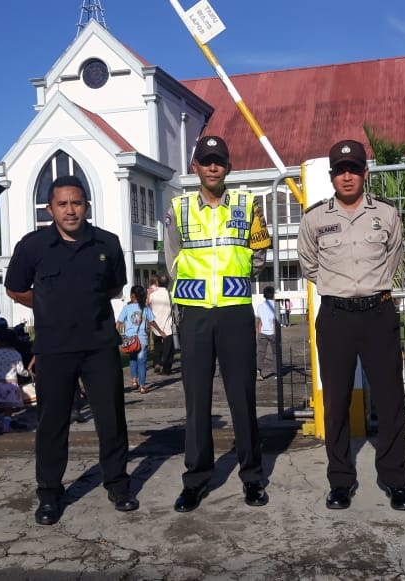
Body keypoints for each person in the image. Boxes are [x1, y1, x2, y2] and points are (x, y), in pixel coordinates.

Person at [5, 175, 138, 525]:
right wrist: (49, 303)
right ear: (50, 209)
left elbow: (112, 288)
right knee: (52, 424)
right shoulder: (33, 246)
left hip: (99, 346)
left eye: (76, 203)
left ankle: (118, 485)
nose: (70, 211)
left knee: (111, 420)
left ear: (86, 206)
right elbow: (15, 289)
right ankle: (49, 494)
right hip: (53, 349)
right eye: (62, 204)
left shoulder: (106, 243)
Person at [297, 139, 405, 512]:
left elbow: (392, 257)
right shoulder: (315, 219)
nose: (346, 176)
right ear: (331, 176)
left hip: (378, 314)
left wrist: (367, 288)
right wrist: (342, 290)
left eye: (353, 169)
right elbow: (309, 265)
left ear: (365, 173)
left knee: (390, 399)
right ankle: (340, 481)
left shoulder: (387, 214)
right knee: (335, 402)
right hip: (335, 317)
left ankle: (396, 481)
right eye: (339, 170)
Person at [164, 135, 271, 512]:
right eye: (206, 161)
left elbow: (259, 255)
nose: (212, 167)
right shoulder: (178, 209)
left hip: (235, 313)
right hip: (194, 314)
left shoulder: (247, 204)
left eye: (219, 161)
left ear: (228, 167)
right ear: (195, 167)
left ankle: (253, 478)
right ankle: (195, 480)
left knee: (242, 399)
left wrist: (233, 281)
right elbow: (173, 259)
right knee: (196, 400)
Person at [116, 284, 165, 394]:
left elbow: (118, 323)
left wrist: (115, 333)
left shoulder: (127, 308)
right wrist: (160, 331)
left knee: (132, 360)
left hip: (130, 340)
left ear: (132, 295)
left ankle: (134, 381)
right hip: (142, 340)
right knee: (142, 363)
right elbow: (152, 322)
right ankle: (142, 386)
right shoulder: (145, 308)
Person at [0, 329, 28, 432]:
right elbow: (20, 370)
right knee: (9, 408)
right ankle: (6, 426)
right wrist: (28, 373)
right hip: (11, 385)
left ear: (1, 342)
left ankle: (0, 421)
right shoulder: (16, 354)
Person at [147, 274, 176, 375]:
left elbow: (147, 304)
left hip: (156, 324)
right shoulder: (170, 294)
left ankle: (157, 363)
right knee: (168, 348)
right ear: (168, 284)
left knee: (157, 345)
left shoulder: (152, 295)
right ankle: (166, 369)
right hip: (167, 324)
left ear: (158, 283)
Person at [255, 286, 278, 382]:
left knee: (260, 353)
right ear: (273, 294)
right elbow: (274, 321)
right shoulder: (276, 305)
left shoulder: (260, 306)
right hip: (273, 332)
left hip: (262, 332)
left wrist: (259, 333)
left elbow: (259, 321)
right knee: (276, 353)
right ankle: (277, 373)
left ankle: (258, 372)